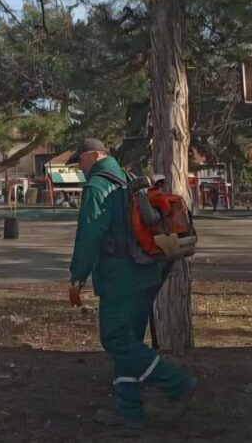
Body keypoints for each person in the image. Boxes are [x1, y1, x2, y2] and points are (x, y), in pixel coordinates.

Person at [67, 138, 196, 430]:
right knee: (129, 344)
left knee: (114, 339)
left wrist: (77, 277)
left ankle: (176, 382)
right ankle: (129, 412)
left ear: (96, 156)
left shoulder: (98, 186)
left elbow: (89, 234)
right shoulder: (127, 178)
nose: (80, 167)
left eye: (81, 160)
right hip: (146, 272)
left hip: (119, 276)